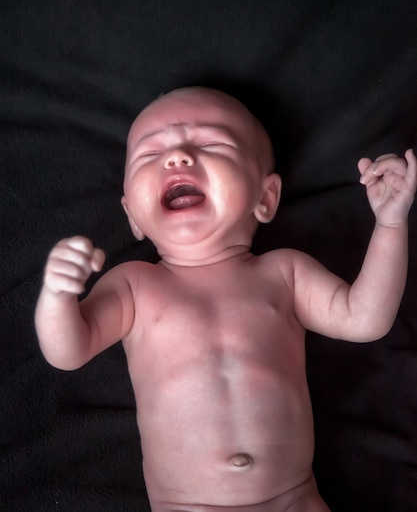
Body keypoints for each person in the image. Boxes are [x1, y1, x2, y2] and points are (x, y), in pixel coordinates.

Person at [35, 86, 417, 512]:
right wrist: (57, 295)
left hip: (294, 498)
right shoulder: (134, 285)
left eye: (210, 143)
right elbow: (68, 352)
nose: (177, 157)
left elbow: (365, 319)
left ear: (265, 197)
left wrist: (390, 224)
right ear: (132, 216)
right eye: (150, 154)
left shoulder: (284, 273)